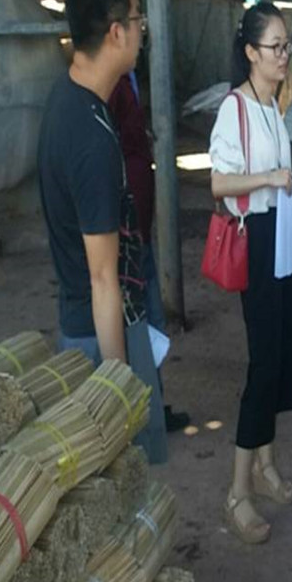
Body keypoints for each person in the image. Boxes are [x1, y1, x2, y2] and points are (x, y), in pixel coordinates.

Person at [37, 0, 168, 464]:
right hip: (98, 336)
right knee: (121, 476)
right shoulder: (90, 138)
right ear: (116, 32)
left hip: (87, 323)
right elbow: (102, 279)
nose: (140, 30)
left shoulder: (68, 98)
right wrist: (118, 389)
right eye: (136, 19)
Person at [209, 2, 292, 545]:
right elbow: (219, 183)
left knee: (284, 354)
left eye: (286, 45)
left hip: (284, 241)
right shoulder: (236, 109)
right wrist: (271, 178)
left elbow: (279, 177)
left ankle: (266, 464)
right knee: (264, 361)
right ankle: (237, 491)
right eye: (275, 46)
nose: (283, 55)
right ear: (251, 52)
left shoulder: (273, 105)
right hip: (256, 243)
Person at [108, 70, 191, 433]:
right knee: (139, 325)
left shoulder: (125, 79)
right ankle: (140, 414)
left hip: (139, 229)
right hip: (126, 234)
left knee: (150, 323)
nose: (140, 40)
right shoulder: (110, 85)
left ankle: (151, 407)